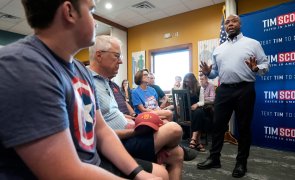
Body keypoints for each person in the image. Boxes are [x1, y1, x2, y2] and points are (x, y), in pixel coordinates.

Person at [0, 0, 166, 179]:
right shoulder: (23, 66)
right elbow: (63, 173)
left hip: (92, 161)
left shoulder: (80, 69)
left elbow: (101, 130)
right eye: (91, 11)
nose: (95, 22)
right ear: (69, 11)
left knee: (161, 173)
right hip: (71, 170)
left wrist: (138, 173)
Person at [88, 35, 184, 180]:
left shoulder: (107, 82)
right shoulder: (87, 82)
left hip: (130, 130)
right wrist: (135, 130)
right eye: (117, 56)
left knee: (177, 153)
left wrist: (135, 120)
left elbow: (114, 113)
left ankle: (165, 149)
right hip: (119, 141)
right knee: (174, 128)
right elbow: (98, 132)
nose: (120, 61)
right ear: (99, 55)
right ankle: (162, 150)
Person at [197, 14, 270, 178]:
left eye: (234, 21)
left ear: (240, 24)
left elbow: (265, 65)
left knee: (243, 127)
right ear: (225, 27)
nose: (230, 24)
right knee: (218, 126)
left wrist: (256, 68)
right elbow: (216, 71)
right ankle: (214, 158)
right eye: (227, 22)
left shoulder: (253, 44)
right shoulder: (219, 49)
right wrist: (209, 73)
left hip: (245, 89)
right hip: (224, 90)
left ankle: (241, 163)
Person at [182, 73, 207, 152]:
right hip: (185, 114)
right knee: (200, 114)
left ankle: (193, 139)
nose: (186, 83)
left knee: (199, 112)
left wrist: (197, 104)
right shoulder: (182, 88)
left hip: (195, 111)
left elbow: (202, 102)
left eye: (188, 82)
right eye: (185, 82)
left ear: (192, 81)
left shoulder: (200, 88)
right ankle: (198, 142)